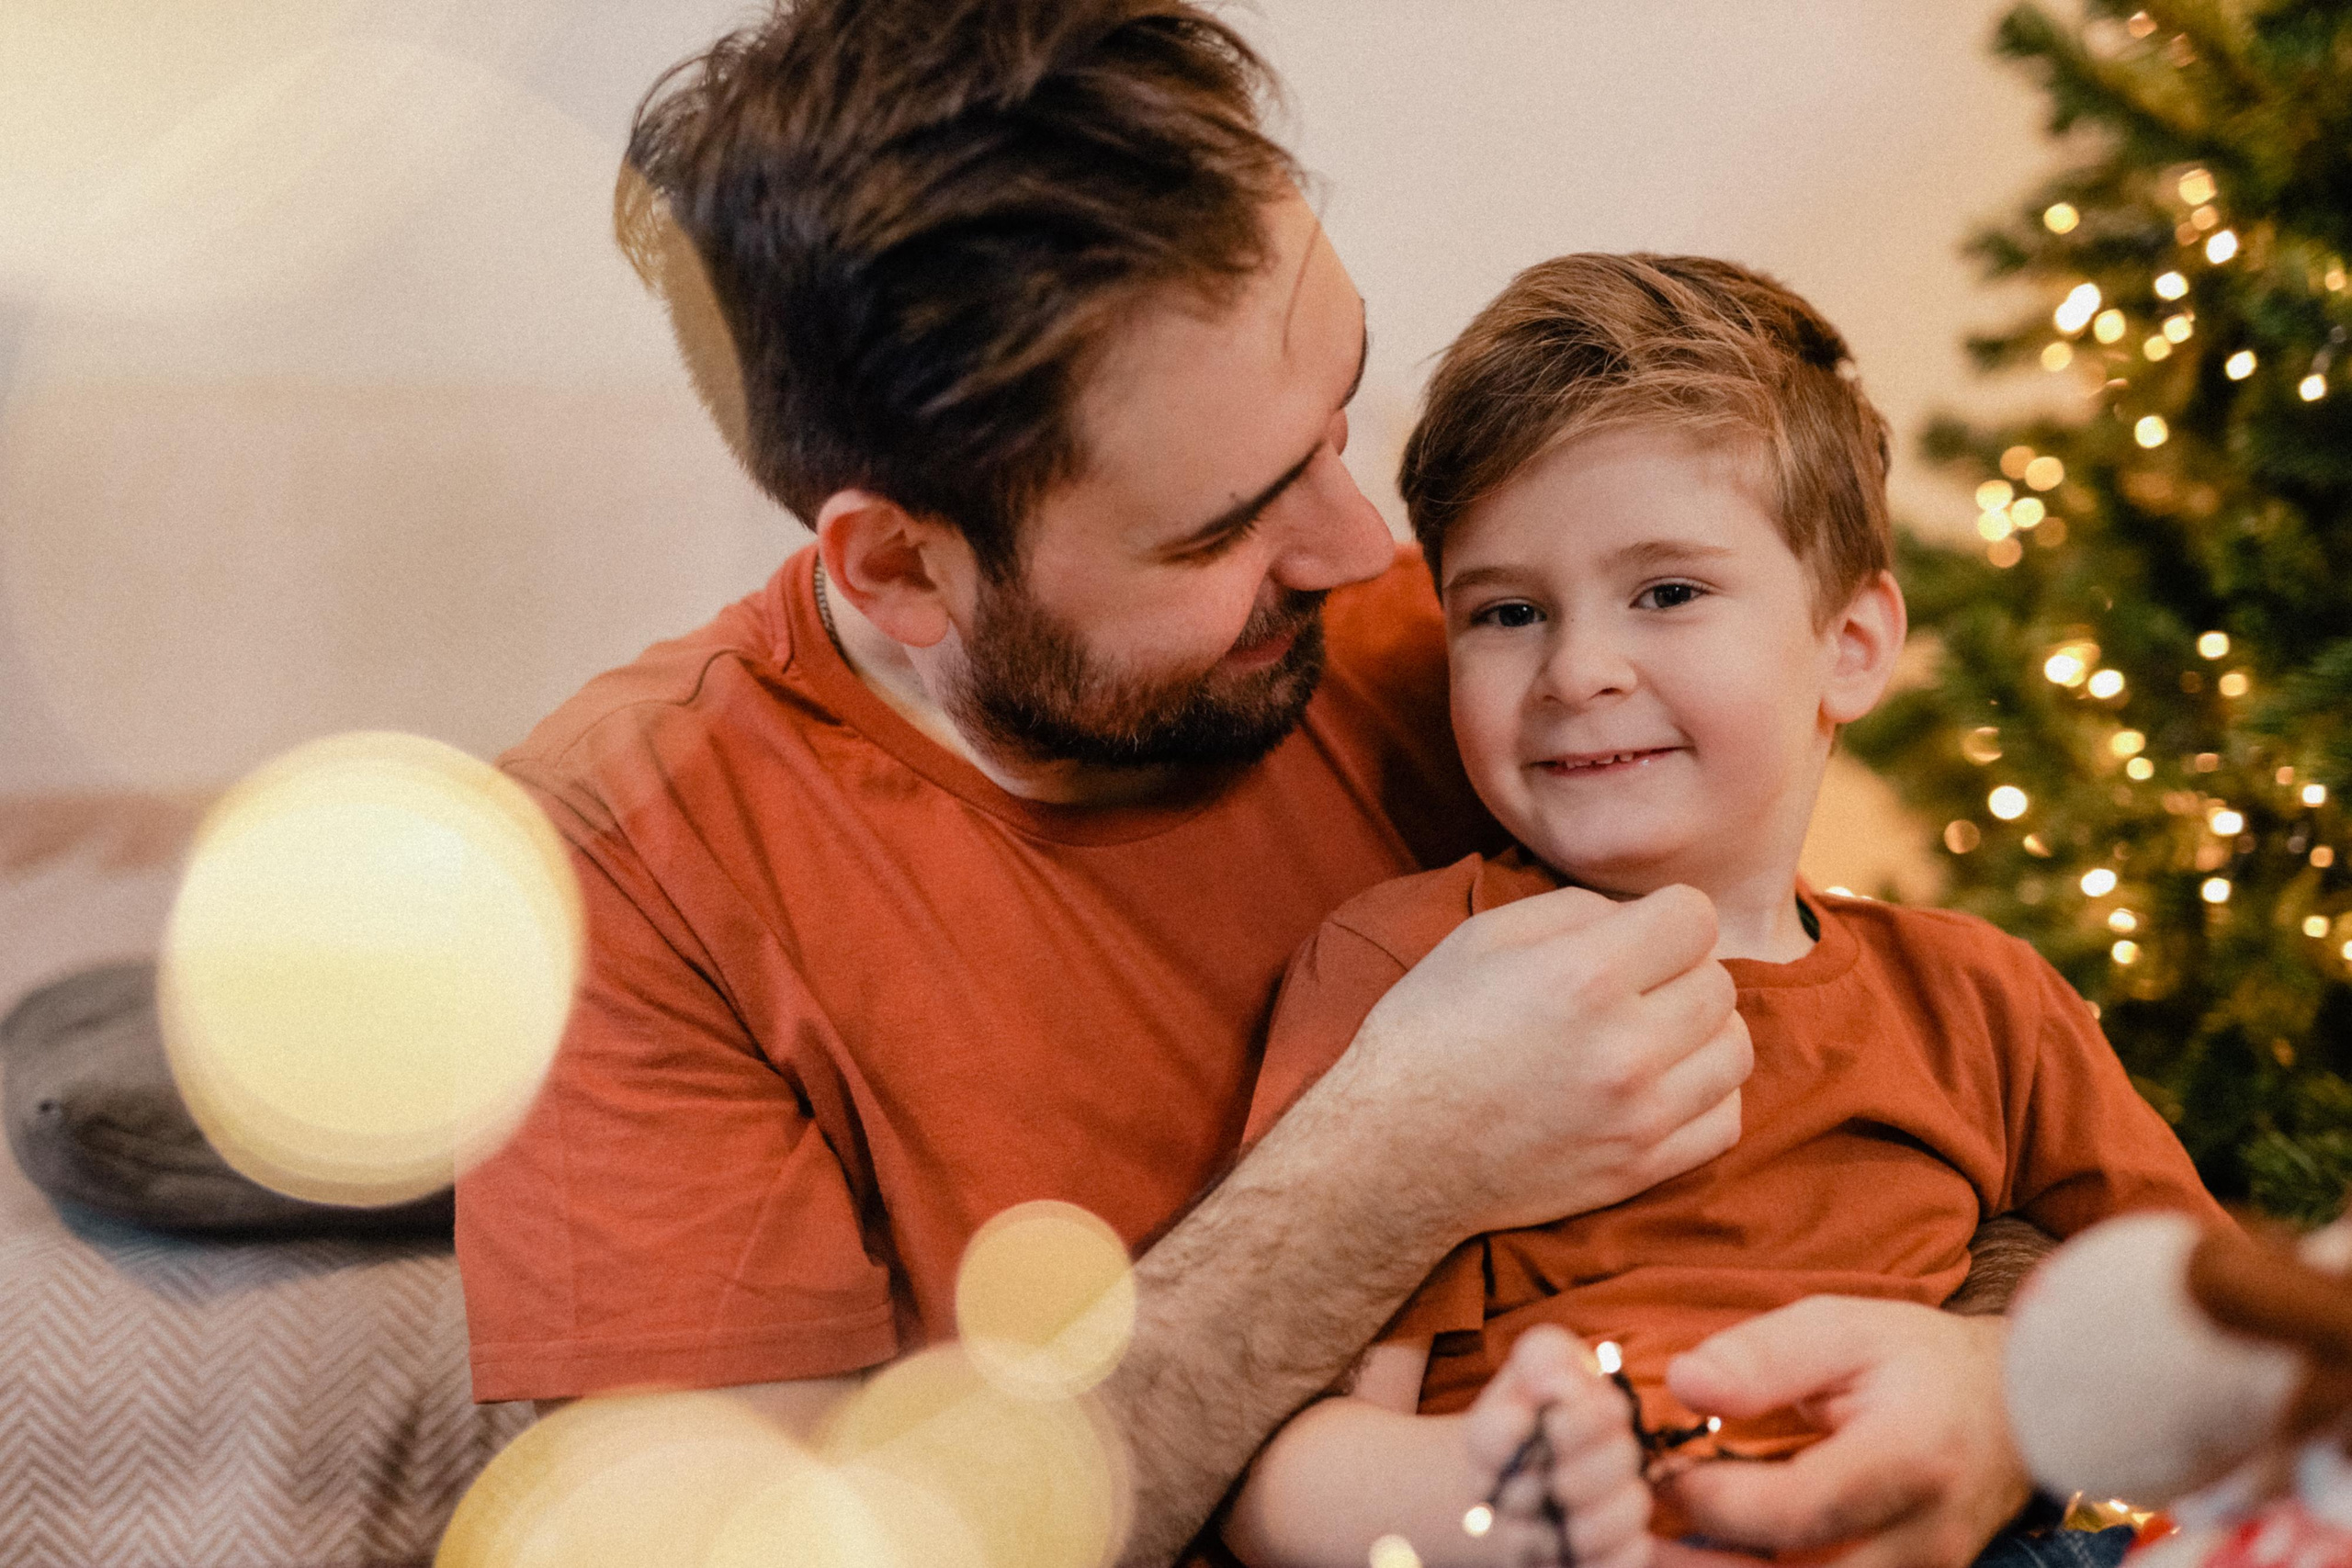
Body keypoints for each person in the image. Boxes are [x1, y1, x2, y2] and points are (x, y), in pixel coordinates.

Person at [453, 6, 2048, 1565]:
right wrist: (1385, 1169)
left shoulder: (1485, 666)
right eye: (1220, 527)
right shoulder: (620, 873)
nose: (1368, 553)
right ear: (900, 567)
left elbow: (1916, 1124)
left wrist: (1989, 1391)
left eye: (1339, 413)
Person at [1218, 254, 2231, 1568]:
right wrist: (1498, 1498)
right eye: (1509, 612)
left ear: (1851, 647)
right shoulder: (1415, 965)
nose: (1580, 669)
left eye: (1668, 593)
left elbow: (2206, 1335)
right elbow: (1285, 1467)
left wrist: (2019, 1399)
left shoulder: (1978, 998)